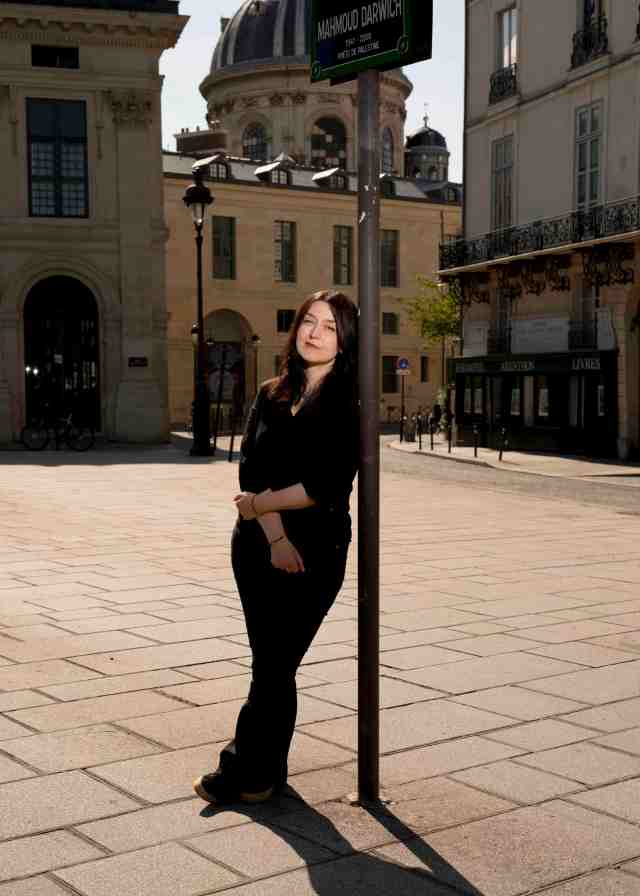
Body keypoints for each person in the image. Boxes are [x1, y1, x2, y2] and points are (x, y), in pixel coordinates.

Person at [193, 290, 359, 805]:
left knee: (275, 663)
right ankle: (265, 773)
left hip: (317, 550)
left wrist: (263, 508)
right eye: (309, 321)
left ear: (345, 340)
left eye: (329, 326)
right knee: (271, 664)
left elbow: (326, 484)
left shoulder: (349, 403)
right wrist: (274, 533)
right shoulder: (270, 393)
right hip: (257, 545)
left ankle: (245, 769)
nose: (315, 332)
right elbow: (251, 469)